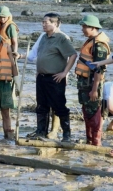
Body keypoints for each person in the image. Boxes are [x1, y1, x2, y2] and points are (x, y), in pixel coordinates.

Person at [35, 13, 77, 142]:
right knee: (42, 106)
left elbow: (73, 55)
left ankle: (66, 135)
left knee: (59, 106)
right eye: (42, 22)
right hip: (41, 77)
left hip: (55, 78)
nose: (43, 24)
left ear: (55, 24)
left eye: (46, 22)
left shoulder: (61, 38)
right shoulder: (43, 37)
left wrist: (64, 72)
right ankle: (41, 132)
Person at [75, 15, 110, 146]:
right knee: (86, 111)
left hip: (92, 84)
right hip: (84, 82)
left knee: (94, 113)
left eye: (85, 27)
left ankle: (96, 142)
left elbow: (99, 69)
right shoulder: (91, 40)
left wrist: (95, 89)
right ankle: (89, 140)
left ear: (93, 28)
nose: (82, 29)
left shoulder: (99, 45)